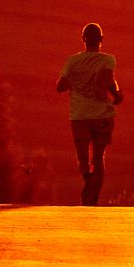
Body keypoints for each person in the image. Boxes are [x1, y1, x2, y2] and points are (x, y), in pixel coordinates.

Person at [56, 22, 123, 206]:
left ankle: (88, 180)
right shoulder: (108, 60)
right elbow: (108, 79)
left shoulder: (72, 61)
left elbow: (60, 87)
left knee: (83, 159)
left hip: (79, 117)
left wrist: (76, 82)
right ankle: (92, 196)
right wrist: (117, 94)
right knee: (99, 159)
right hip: (102, 116)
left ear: (82, 39)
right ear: (101, 40)